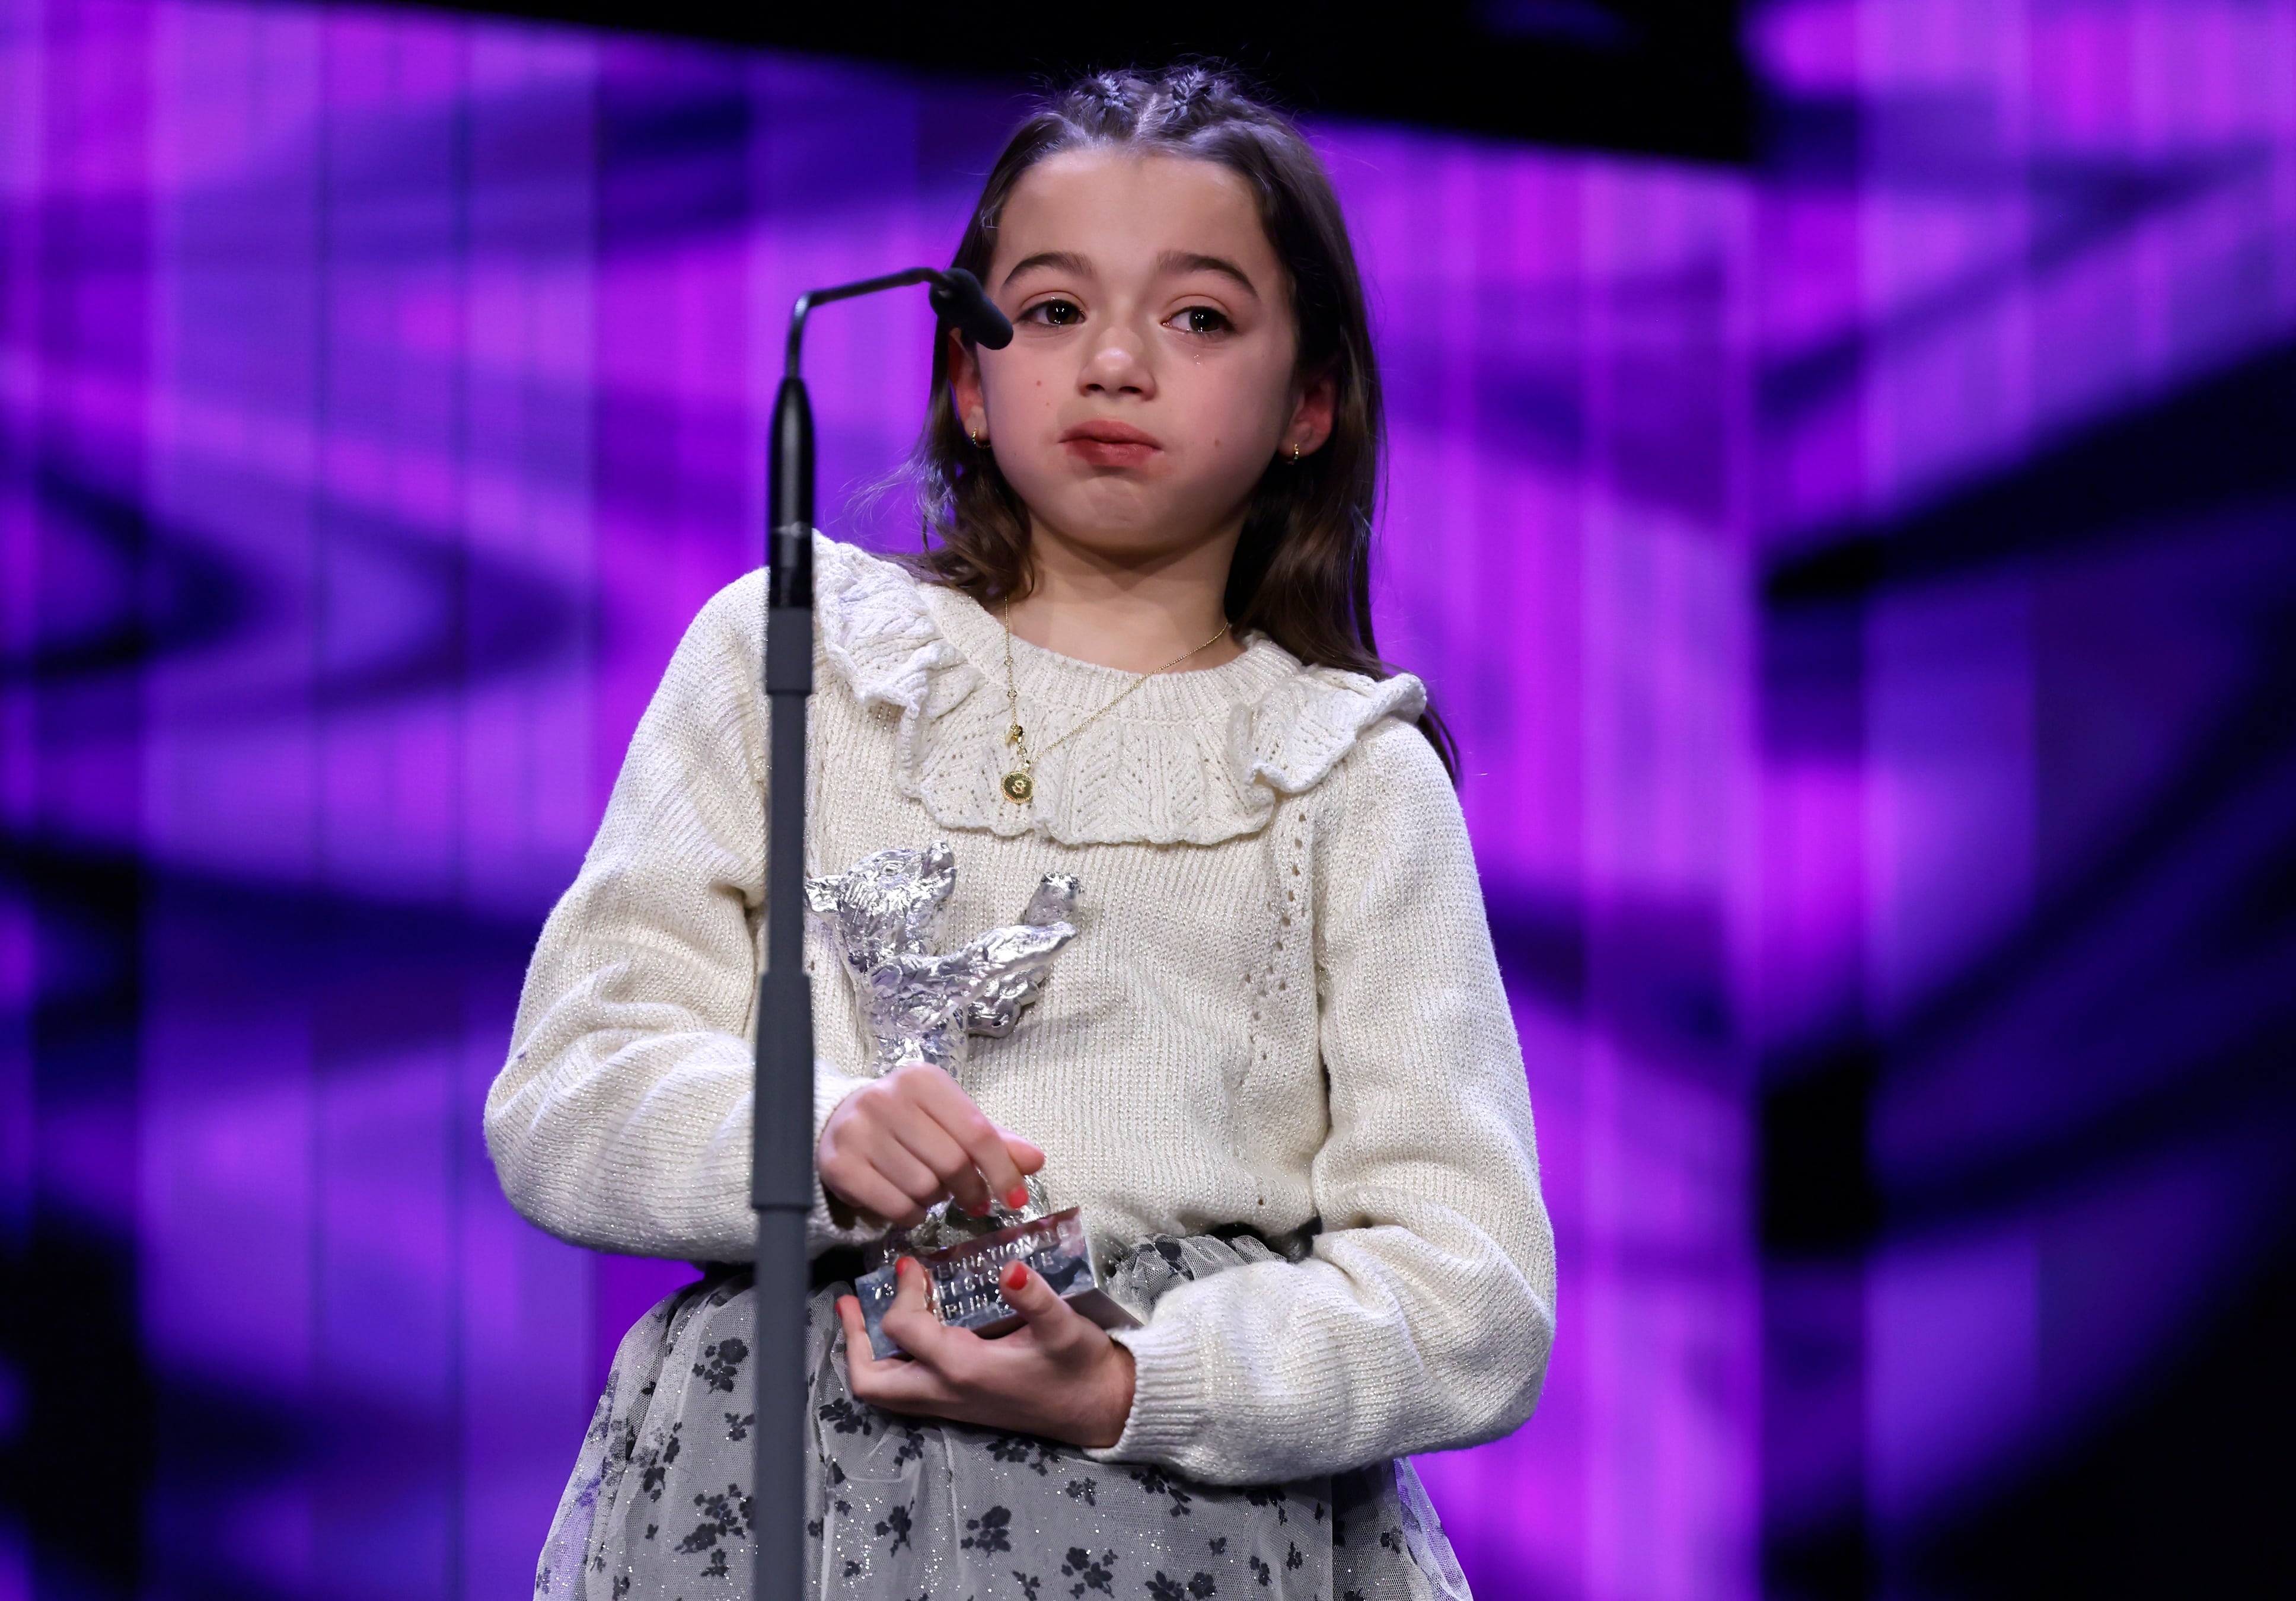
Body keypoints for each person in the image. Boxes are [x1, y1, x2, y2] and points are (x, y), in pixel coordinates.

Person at [488, 62, 1555, 1600]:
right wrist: (816, 1131)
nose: (1116, 360)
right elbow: (569, 1086)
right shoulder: (794, 652)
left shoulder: (1345, 772)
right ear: (967, 375)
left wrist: (1136, 1380)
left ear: (1312, 397)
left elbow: (1473, 1291)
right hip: (782, 1480)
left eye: (1198, 317)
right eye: (1050, 310)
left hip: (1178, 1526)